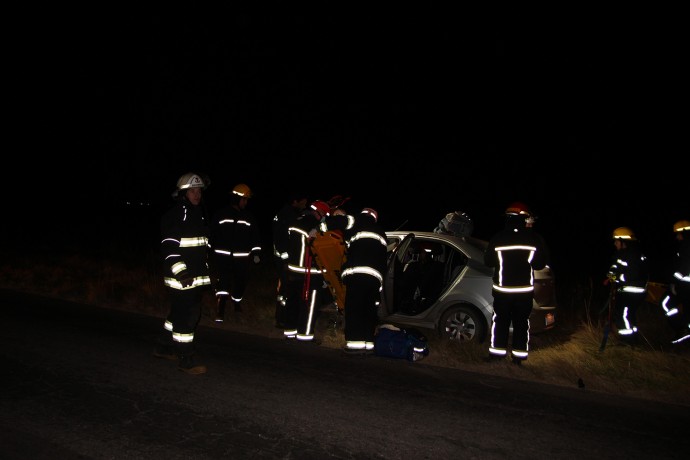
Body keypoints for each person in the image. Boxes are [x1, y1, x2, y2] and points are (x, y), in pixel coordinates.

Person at [155, 172, 212, 375]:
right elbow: (169, 249)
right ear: (182, 193)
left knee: (177, 314)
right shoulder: (176, 215)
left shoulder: (197, 213)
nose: (197, 194)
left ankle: (163, 346)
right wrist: (182, 273)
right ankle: (185, 359)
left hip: (193, 278)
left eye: (199, 191)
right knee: (187, 317)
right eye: (192, 191)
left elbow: (199, 248)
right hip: (182, 279)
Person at [484, 202, 549, 365]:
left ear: (507, 218)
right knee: (521, 324)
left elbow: (488, 261)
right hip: (523, 293)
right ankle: (518, 359)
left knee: (500, 322)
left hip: (502, 291)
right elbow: (540, 264)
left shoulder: (498, 238)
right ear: (524, 218)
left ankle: (497, 355)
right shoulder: (533, 239)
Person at [324, 207, 388, 354]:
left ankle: (354, 345)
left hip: (358, 274)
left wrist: (319, 227)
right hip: (374, 278)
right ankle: (368, 344)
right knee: (368, 311)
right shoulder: (382, 233)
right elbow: (384, 262)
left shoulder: (356, 220)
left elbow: (339, 221)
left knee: (354, 309)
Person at [210, 183, 262, 321]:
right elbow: (212, 234)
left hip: (242, 258)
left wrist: (256, 253)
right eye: (244, 199)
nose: (246, 202)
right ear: (235, 199)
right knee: (223, 283)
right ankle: (220, 310)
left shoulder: (249, 217)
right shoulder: (220, 214)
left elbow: (255, 237)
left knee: (241, 282)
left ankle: (236, 301)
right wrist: (207, 250)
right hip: (223, 257)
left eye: (247, 200)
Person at [282, 200, 331, 342]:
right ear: (320, 213)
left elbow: (284, 244)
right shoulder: (317, 227)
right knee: (309, 306)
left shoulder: (295, 221)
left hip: (293, 270)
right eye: (324, 215)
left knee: (292, 303)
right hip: (310, 273)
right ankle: (305, 336)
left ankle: (289, 333)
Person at [604, 227, 649, 345]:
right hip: (634, 291)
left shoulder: (631, 255)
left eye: (616, 241)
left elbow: (631, 275)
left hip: (631, 291)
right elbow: (616, 267)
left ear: (623, 241)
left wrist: (616, 279)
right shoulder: (626, 253)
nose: (615, 244)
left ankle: (628, 341)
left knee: (621, 314)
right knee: (629, 315)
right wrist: (611, 275)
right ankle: (633, 338)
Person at [271, 192, 309, 328]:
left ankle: (283, 318)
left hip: (286, 259)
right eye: (303, 203)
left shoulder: (290, 214)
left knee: (286, 290)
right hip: (284, 260)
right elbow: (280, 238)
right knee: (285, 290)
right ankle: (281, 319)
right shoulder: (287, 215)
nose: (304, 205)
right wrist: (287, 258)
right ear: (295, 201)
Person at [660, 220, 690, 344]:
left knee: (665, 303)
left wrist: (674, 282)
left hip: (685, 285)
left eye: (678, 234)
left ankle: (682, 329)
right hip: (685, 285)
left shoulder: (686, 246)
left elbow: (684, 267)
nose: (677, 237)